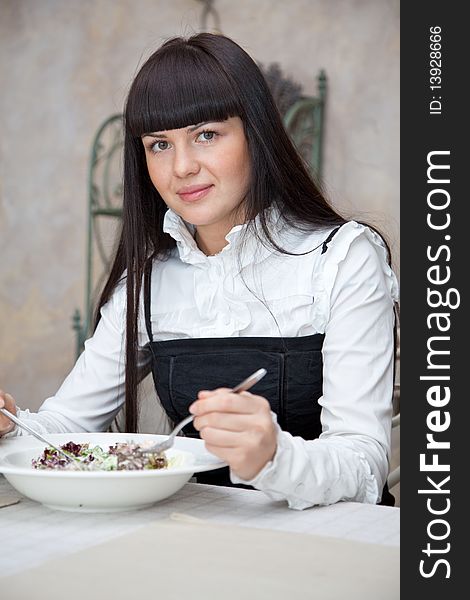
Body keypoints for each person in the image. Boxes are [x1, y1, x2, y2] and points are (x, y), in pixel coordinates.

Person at [0, 32, 399, 509]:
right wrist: (10, 427)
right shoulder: (147, 281)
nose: (182, 167)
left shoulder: (342, 256)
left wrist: (276, 457)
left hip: (330, 549)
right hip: (200, 540)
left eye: (206, 135)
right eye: (159, 145)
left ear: (256, 133)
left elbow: (364, 464)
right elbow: (65, 428)